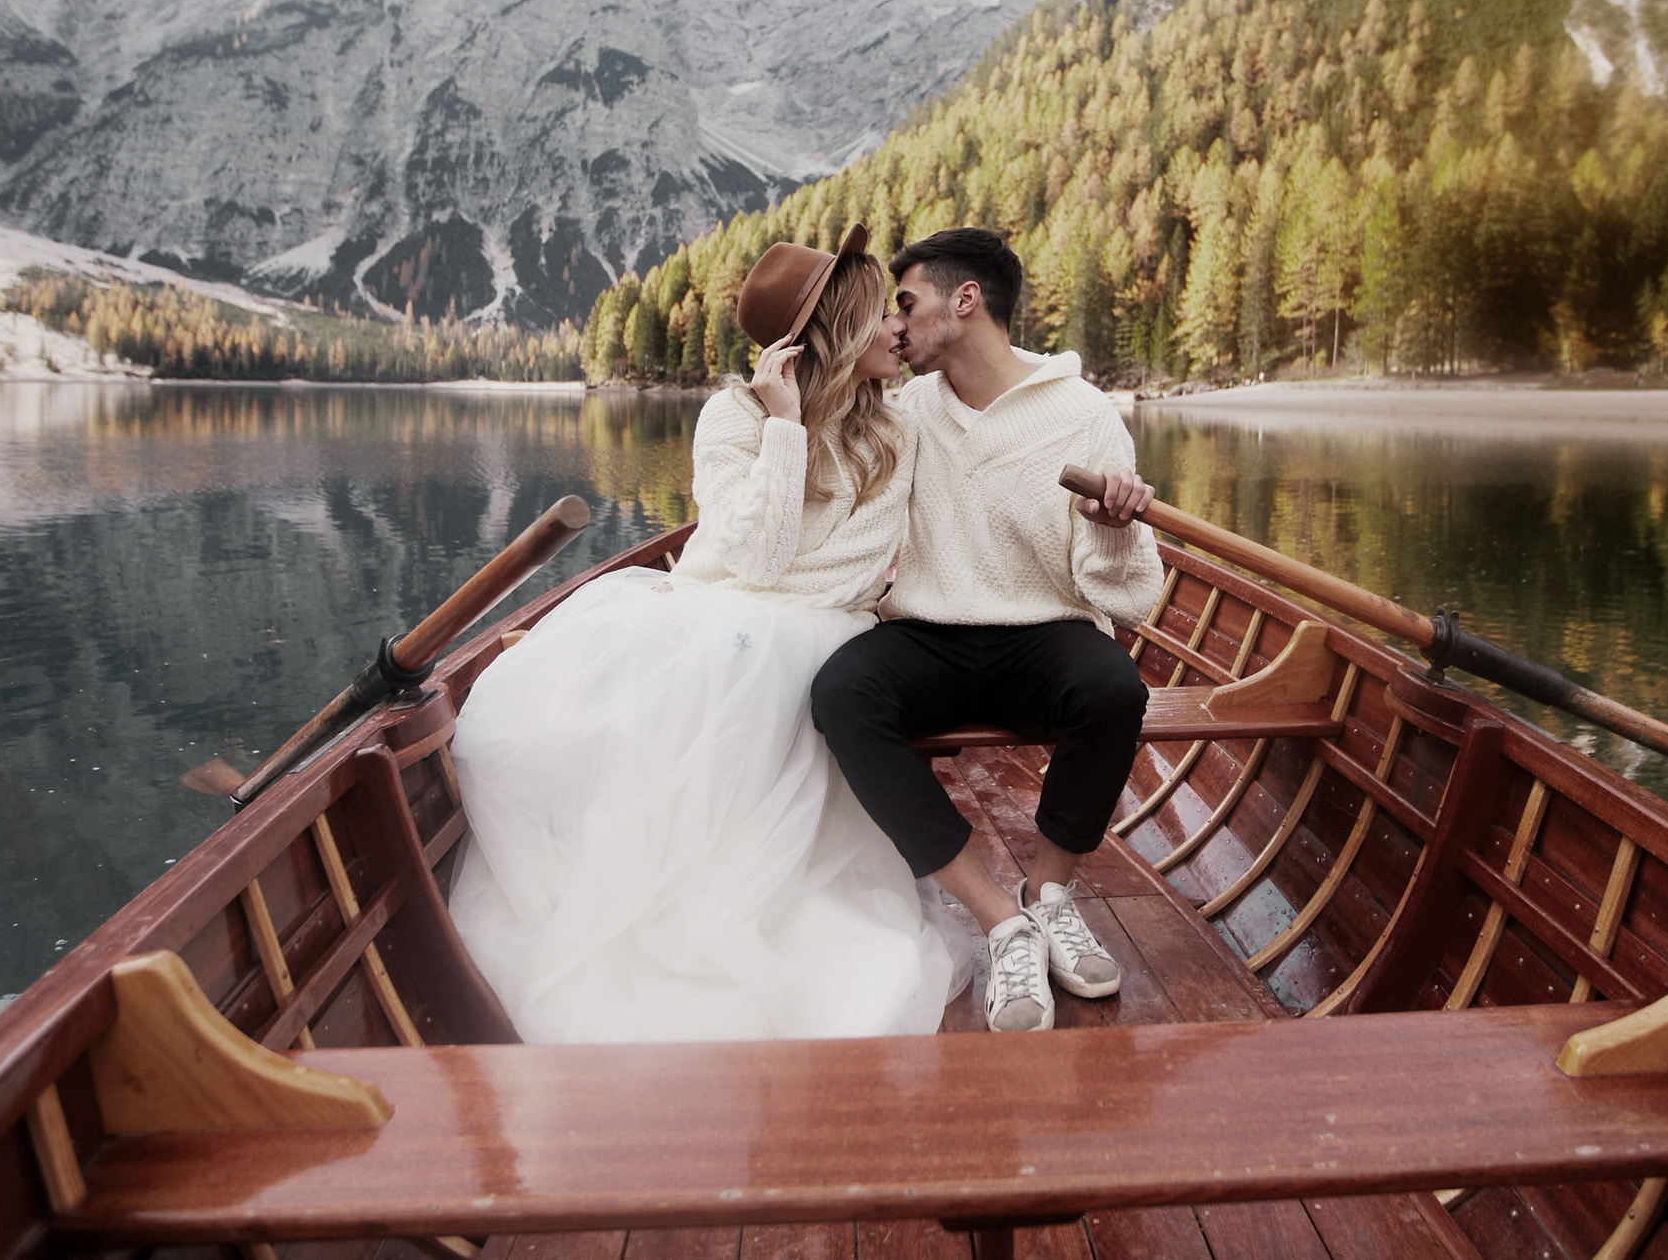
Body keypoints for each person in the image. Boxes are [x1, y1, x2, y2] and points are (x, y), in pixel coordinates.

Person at [444, 226, 956, 1043]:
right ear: (839, 329)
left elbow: (847, 573)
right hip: (720, 609)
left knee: (749, 656)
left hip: (811, 626)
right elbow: (757, 552)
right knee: (695, 662)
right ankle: (646, 886)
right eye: (880, 313)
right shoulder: (734, 415)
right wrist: (785, 426)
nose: (900, 326)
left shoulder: (893, 431)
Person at [811, 227, 1162, 1032]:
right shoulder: (902, 411)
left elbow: (1132, 593)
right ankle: (1002, 918)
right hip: (930, 630)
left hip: (1044, 628)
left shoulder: (1083, 414)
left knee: (1114, 686)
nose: (893, 325)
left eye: (905, 302)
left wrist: (1108, 525)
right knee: (841, 691)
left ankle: (1049, 892)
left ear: (964, 301)